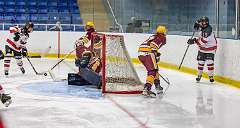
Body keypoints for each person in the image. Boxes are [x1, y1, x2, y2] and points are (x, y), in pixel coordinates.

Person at [138, 25, 167, 97]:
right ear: (163, 32)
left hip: (140, 53)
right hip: (148, 53)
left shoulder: (154, 36)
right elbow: (153, 46)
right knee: (152, 71)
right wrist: (156, 54)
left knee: (155, 68)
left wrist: (156, 54)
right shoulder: (161, 37)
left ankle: (157, 86)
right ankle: (147, 89)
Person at [187, 16, 217, 83]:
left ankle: (211, 76)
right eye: (201, 22)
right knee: (201, 62)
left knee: (210, 62)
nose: (201, 23)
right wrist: (196, 26)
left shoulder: (208, 31)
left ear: (205, 23)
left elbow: (202, 42)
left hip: (210, 48)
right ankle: (199, 75)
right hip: (202, 49)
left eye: (202, 22)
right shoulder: (203, 28)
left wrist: (193, 41)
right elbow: (197, 24)